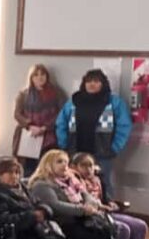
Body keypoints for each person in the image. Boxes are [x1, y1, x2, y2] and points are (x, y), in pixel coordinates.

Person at [28, 150, 130, 239]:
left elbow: (86, 195)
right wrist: (82, 209)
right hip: (61, 225)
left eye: (66, 161)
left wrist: (88, 205)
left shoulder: (70, 179)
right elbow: (56, 207)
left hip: (79, 220)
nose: (64, 165)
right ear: (48, 164)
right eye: (59, 162)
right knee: (95, 238)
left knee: (108, 232)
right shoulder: (42, 184)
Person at [55, 69, 131, 200]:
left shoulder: (114, 102)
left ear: (103, 84)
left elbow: (125, 126)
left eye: (96, 81)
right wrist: (64, 144)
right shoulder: (74, 101)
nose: (92, 84)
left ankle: (107, 214)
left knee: (103, 183)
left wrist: (114, 148)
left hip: (103, 153)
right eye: (88, 81)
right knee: (74, 183)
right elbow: (61, 122)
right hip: (75, 152)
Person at [71, 152, 147, 239]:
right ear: (74, 167)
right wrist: (100, 207)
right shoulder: (73, 181)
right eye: (83, 166)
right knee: (123, 229)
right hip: (92, 216)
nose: (88, 169)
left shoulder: (97, 178)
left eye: (90, 165)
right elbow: (80, 202)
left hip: (106, 213)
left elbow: (105, 198)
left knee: (140, 225)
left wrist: (110, 202)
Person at [12, 64, 65, 172]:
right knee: (28, 169)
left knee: (48, 168)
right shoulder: (24, 94)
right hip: (29, 135)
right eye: (36, 75)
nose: (40, 77)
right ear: (31, 78)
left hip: (49, 136)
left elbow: (61, 114)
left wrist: (45, 128)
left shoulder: (56, 93)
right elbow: (17, 114)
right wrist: (29, 126)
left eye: (42, 74)